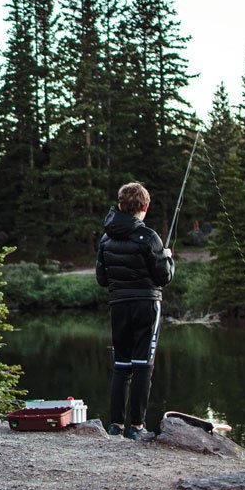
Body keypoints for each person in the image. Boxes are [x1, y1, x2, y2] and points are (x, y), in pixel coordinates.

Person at [95, 182, 174, 440]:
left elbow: (102, 279)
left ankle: (115, 425)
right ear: (145, 207)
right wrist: (168, 257)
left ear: (120, 205)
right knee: (143, 365)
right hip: (146, 305)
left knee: (121, 365)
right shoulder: (149, 237)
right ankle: (137, 427)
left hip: (118, 306)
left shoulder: (106, 238)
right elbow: (163, 277)